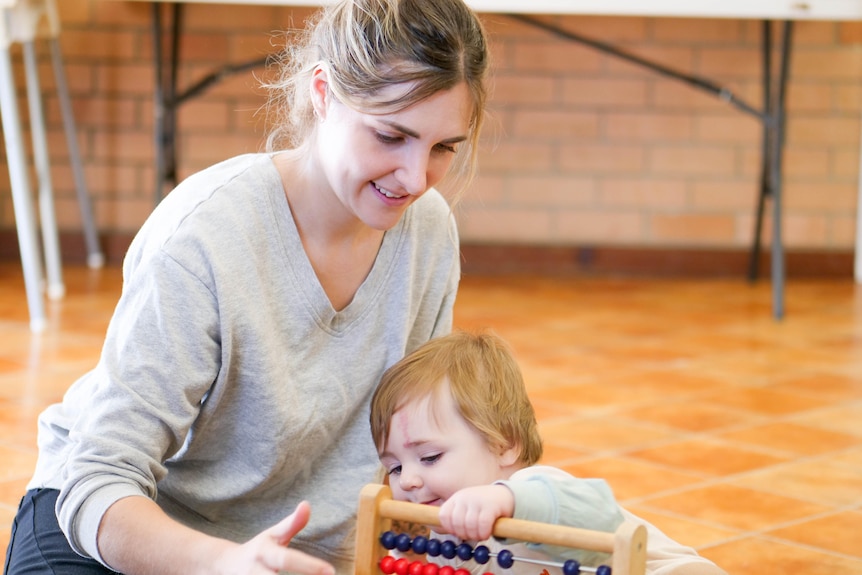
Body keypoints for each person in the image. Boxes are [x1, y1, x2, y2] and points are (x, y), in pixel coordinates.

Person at [3, 0, 489, 573]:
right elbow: (98, 478)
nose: (415, 178)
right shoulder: (205, 237)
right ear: (323, 94)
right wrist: (221, 563)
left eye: (443, 149)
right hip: (119, 530)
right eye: (390, 136)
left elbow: (419, 446)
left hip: (281, 554)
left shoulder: (428, 233)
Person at [369, 331, 729, 575]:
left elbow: (595, 512)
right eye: (396, 467)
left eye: (430, 457)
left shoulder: (537, 490)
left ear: (506, 443)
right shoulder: (439, 536)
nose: (409, 480)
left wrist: (506, 499)